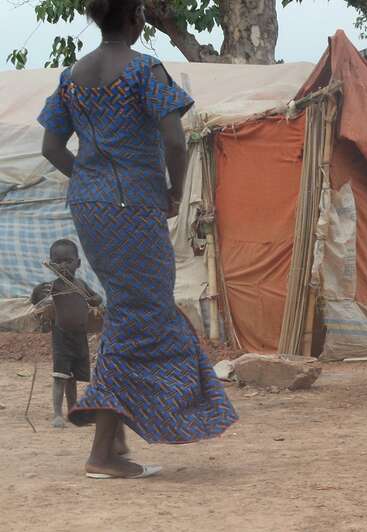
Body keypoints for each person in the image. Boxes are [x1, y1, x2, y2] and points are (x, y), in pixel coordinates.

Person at [37, 0, 236, 479]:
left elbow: (50, 147)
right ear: (136, 18)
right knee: (141, 313)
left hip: (90, 207)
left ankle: (117, 435)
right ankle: (104, 450)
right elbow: (174, 140)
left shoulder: (71, 76)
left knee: (131, 308)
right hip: (136, 203)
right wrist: (174, 189)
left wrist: (88, 182)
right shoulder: (145, 70)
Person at [30, 239, 103, 429]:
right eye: (58, 261)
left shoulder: (81, 284)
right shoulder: (52, 287)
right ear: (51, 264)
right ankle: (57, 414)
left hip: (80, 338)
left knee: (73, 378)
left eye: (68, 261)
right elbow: (36, 300)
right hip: (62, 338)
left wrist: (95, 298)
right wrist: (37, 292)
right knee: (60, 376)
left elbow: (95, 299)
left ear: (77, 263)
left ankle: (72, 411)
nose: (63, 266)